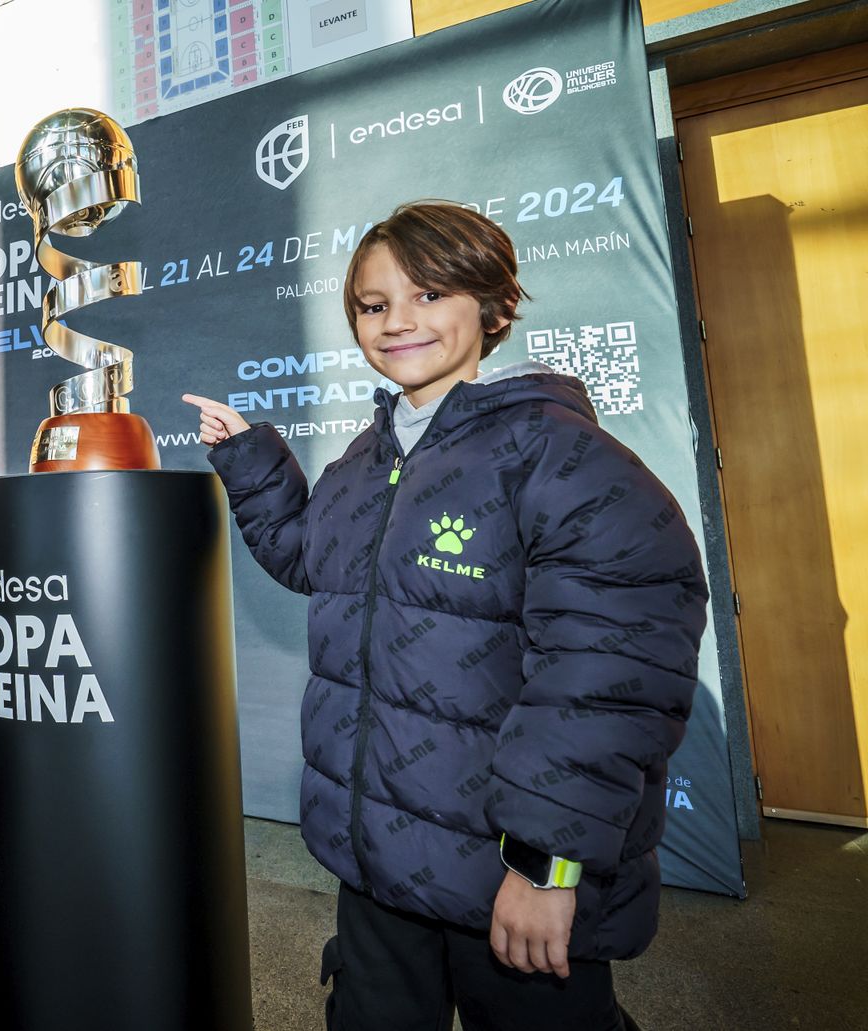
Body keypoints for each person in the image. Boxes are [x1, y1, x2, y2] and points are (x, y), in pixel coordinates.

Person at [184, 202, 709, 1031]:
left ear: (495, 309)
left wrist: (546, 868)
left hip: (505, 871)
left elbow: (608, 675)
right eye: (373, 304)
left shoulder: (560, 454)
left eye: (429, 295)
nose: (398, 322)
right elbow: (311, 560)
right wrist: (251, 459)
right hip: (380, 858)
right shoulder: (371, 455)